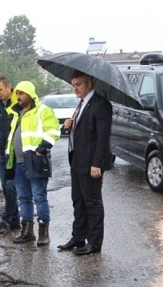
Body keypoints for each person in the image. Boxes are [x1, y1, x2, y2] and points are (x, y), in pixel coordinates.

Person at [58, 70, 114, 255]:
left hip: (91, 163)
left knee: (92, 203)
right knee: (78, 201)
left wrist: (97, 163)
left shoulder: (101, 104)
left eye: (78, 84)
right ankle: (78, 237)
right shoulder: (82, 103)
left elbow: (102, 137)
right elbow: (84, 129)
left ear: (89, 83)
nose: (75, 89)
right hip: (77, 160)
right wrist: (69, 125)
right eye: (73, 85)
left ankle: (94, 243)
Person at [8, 81, 60, 246]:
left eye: (22, 93)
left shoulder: (43, 111)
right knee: (24, 198)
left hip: (36, 159)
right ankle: (27, 231)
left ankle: (43, 233)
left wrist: (41, 149)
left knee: (39, 196)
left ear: (30, 94)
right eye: (17, 93)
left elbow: (53, 130)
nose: (18, 97)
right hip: (19, 161)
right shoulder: (16, 113)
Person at [0, 76, 21, 234]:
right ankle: (15, 221)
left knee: (10, 185)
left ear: (9, 87)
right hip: (2, 151)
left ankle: (6, 220)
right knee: (5, 185)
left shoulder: (20, 103)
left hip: (16, 152)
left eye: (0, 90)